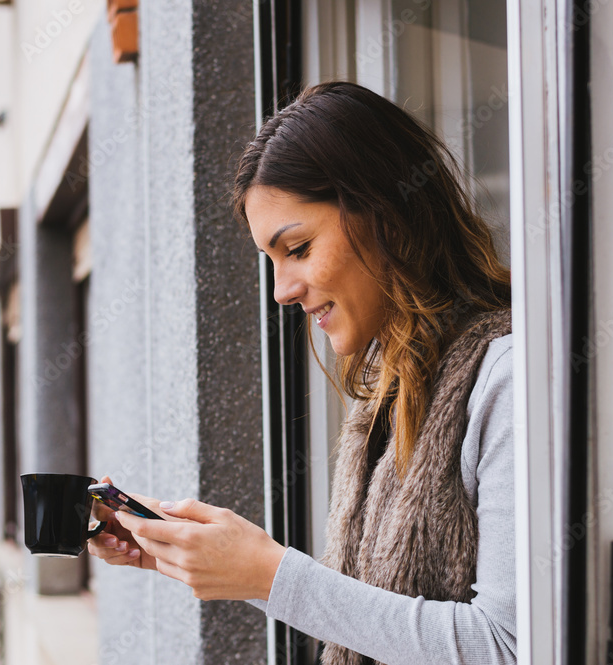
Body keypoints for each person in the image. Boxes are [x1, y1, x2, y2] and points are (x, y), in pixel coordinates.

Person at [87, 81, 516, 665]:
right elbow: (369, 618)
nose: (282, 292)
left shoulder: (505, 381)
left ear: (386, 213)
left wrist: (270, 575)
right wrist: (212, 561)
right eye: (271, 260)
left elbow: (510, 647)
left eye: (299, 248)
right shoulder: (388, 394)